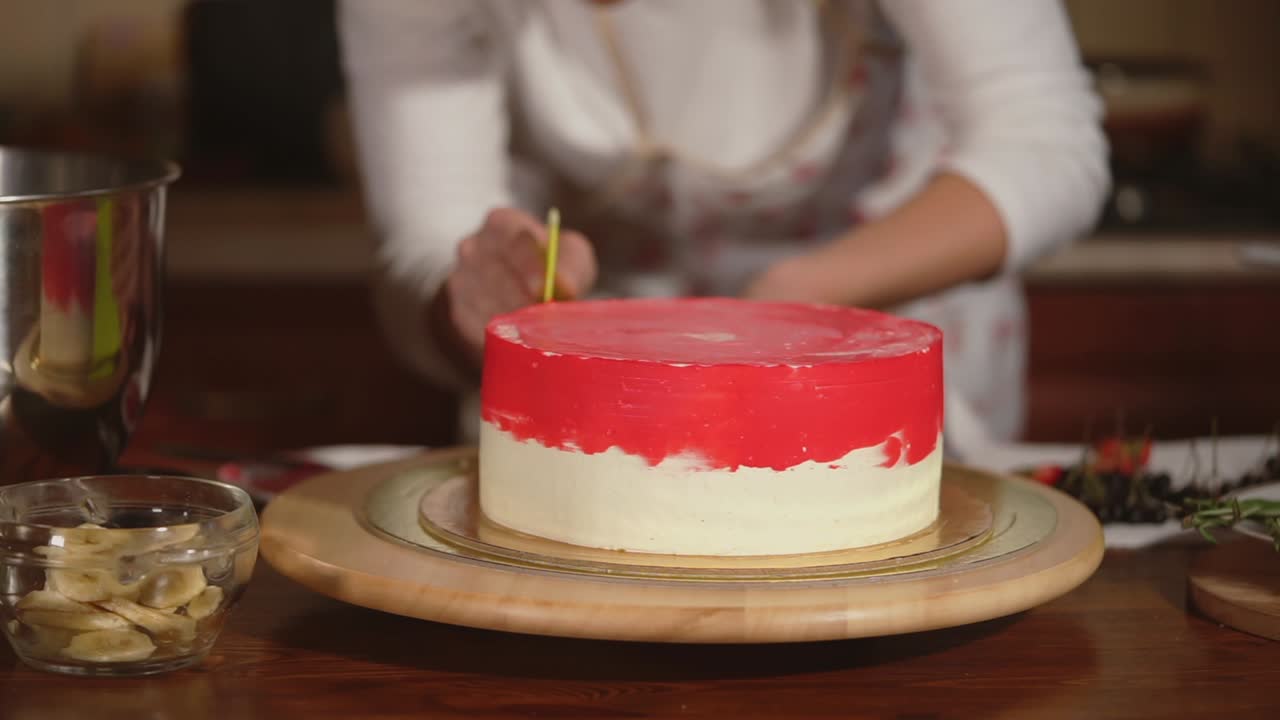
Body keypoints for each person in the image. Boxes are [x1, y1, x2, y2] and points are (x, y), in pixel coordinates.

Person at [337, 0, 1109, 446]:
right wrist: (478, 303)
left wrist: (786, 301)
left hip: (878, 327)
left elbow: (1046, 143)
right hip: (607, 389)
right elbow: (425, 241)